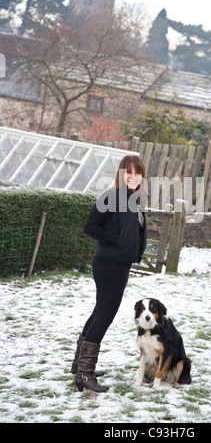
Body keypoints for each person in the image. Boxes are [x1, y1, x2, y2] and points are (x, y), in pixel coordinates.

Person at [71, 155, 147, 393]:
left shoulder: (134, 200)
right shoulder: (111, 197)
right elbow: (90, 226)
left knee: (99, 311)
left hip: (120, 263)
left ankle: (78, 365)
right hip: (108, 263)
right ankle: (84, 374)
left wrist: (129, 248)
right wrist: (118, 242)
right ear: (121, 174)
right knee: (105, 314)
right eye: (129, 171)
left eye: (138, 172)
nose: (133, 176)